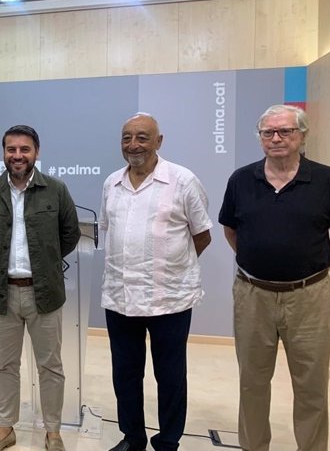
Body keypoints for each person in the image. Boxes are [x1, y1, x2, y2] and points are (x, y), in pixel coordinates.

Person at [219, 104, 330, 451]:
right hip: (252, 294)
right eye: (268, 132)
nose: (276, 138)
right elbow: (231, 230)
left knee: (312, 387)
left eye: (285, 131)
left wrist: (312, 268)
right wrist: (260, 262)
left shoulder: (328, 180)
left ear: (302, 136)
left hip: (310, 297)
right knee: (252, 384)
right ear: (259, 138)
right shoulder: (242, 179)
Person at [100, 113, 212, 451]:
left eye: (142, 137)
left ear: (159, 141)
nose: (133, 145)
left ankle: (168, 442)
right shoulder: (111, 183)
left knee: (171, 377)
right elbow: (109, 232)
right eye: (126, 137)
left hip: (169, 300)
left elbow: (202, 235)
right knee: (126, 374)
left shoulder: (183, 180)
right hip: (120, 298)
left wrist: (170, 268)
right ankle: (132, 438)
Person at [0, 125, 81, 451]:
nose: (17, 155)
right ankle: (5, 429)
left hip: (44, 292)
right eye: (11, 149)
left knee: (50, 366)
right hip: (1, 293)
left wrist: (45, 262)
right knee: (5, 365)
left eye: (24, 149)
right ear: (3, 153)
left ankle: (53, 432)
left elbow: (70, 235)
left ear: (36, 152)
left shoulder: (56, 190)